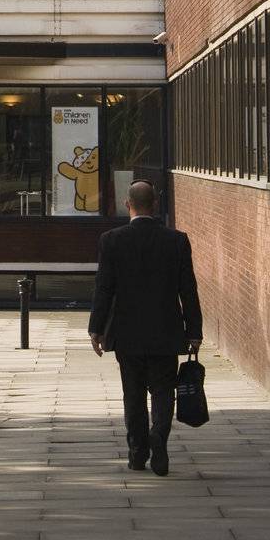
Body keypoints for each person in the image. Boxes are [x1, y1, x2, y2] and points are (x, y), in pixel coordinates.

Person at [88, 179, 203, 477]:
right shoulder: (177, 241)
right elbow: (188, 290)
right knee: (164, 391)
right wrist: (194, 331)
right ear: (155, 205)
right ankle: (159, 438)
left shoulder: (111, 240)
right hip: (166, 332)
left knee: (133, 393)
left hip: (126, 333)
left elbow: (104, 289)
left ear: (128, 205)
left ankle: (138, 453)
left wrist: (96, 329)